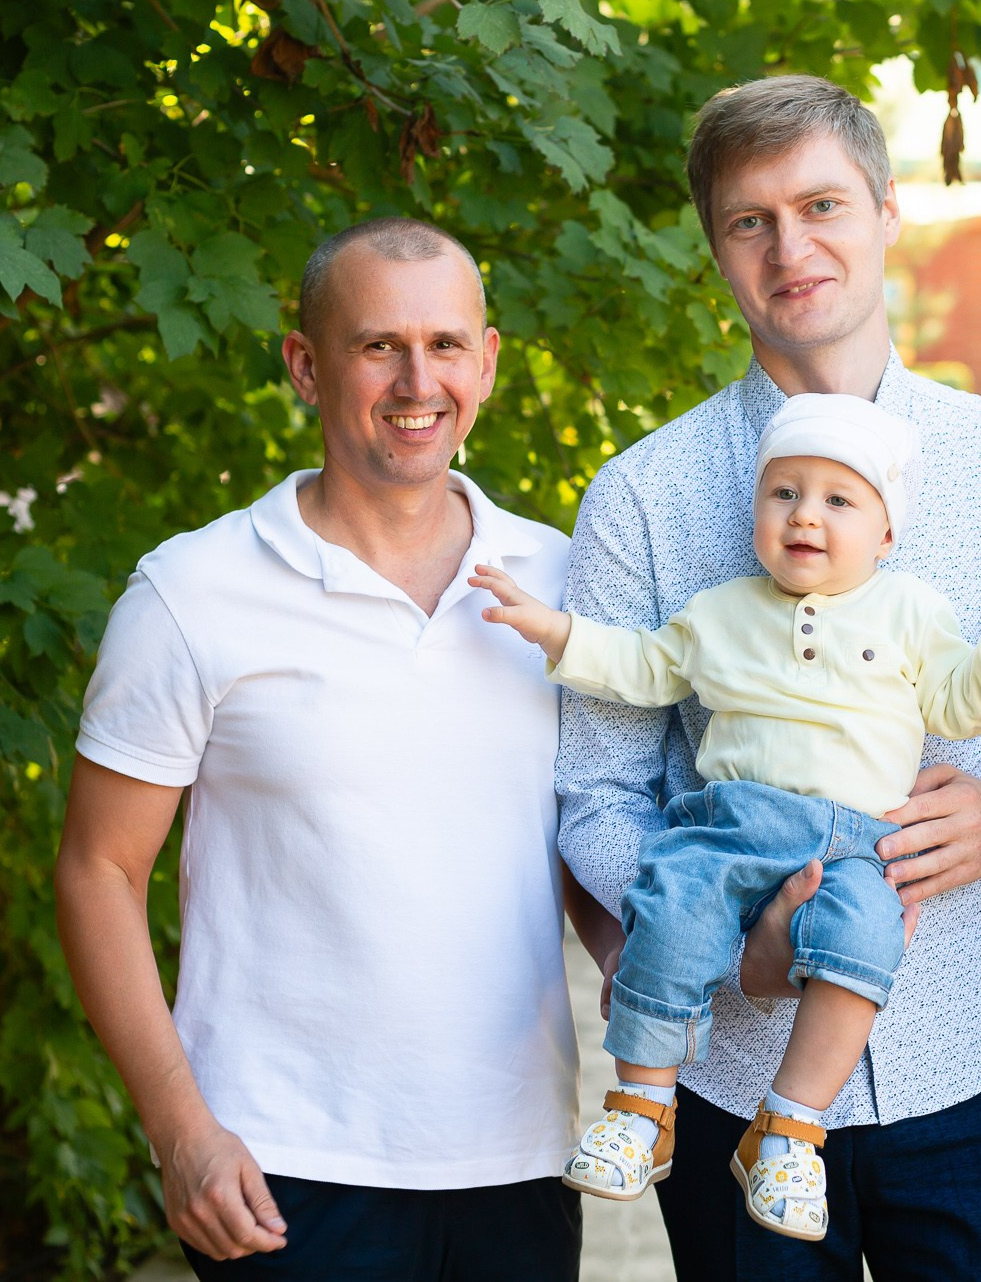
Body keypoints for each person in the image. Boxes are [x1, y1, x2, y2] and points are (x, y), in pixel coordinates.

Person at [559, 74, 981, 1278]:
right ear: (714, 249)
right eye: (748, 220)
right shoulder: (641, 498)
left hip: (964, 1053)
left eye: (820, 204)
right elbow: (597, 793)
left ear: (884, 211)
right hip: (728, 1069)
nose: (789, 246)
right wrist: (718, 943)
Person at [53, 219, 619, 1278]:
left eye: (446, 344)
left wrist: (651, 961)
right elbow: (97, 870)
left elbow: (579, 841)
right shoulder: (191, 593)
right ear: (306, 367)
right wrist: (180, 1130)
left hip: (516, 1158)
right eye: (377, 346)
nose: (418, 379)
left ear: (487, 362)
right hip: (280, 1165)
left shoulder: (562, 586)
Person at [475, 393, 981, 1241]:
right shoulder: (719, 611)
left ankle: (789, 1127)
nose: (805, 516)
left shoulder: (910, 611)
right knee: (670, 911)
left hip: (857, 841)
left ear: (886, 534)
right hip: (728, 823)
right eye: (783, 493)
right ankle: (642, 1103)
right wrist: (553, 630)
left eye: (838, 499)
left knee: (866, 944)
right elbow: (641, 666)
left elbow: (962, 699)